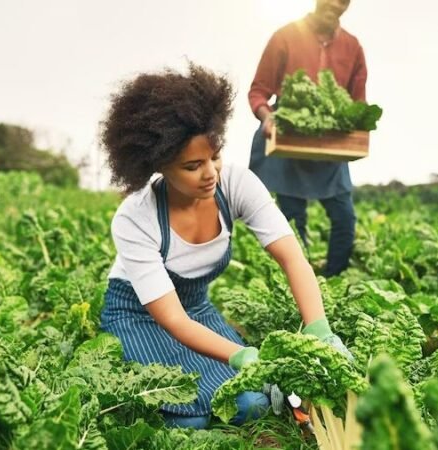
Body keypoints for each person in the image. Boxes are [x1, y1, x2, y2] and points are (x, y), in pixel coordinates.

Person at [99, 64, 350, 429]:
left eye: (214, 156)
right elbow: (171, 318)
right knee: (191, 422)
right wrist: (242, 354)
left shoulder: (234, 184)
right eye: (192, 165)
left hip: (196, 311)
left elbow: (292, 258)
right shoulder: (135, 217)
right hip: (139, 316)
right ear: (160, 165)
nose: (210, 173)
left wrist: (319, 330)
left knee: (251, 405)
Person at [248, 0, 366, 278]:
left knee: (345, 219)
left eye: (344, 1)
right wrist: (268, 117)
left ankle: (331, 283)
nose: (335, 4)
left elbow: (359, 103)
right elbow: (258, 91)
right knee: (293, 221)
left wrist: (356, 128)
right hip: (289, 143)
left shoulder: (353, 47)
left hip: (329, 149)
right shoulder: (285, 36)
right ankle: (300, 283)